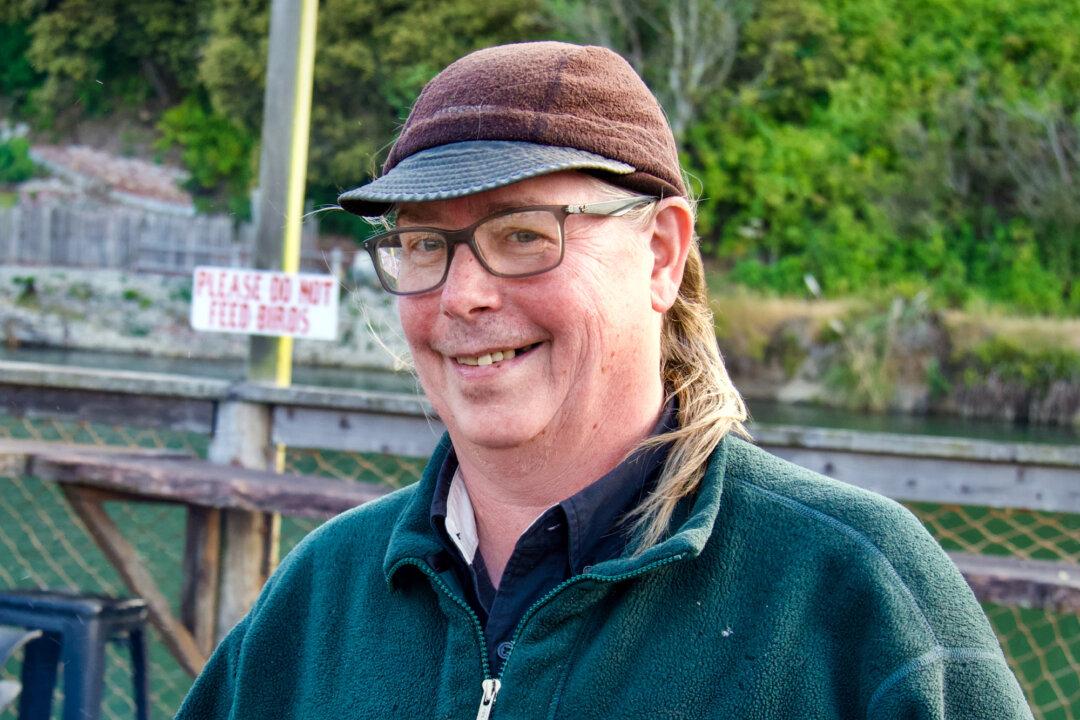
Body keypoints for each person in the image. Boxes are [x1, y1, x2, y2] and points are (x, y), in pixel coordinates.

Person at [176, 42, 1031, 719]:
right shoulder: (320, 595)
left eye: (523, 234)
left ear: (661, 254)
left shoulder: (856, 592)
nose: (464, 295)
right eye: (427, 244)